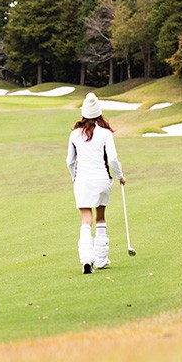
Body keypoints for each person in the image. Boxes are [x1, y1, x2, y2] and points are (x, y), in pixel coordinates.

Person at [66, 93, 125, 275]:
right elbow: (113, 159)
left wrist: (74, 177)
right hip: (101, 179)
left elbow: (69, 161)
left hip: (82, 180)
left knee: (86, 220)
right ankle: (100, 259)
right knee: (100, 217)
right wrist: (120, 176)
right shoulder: (106, 133)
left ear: (84, 113)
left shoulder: (75, 134)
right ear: (99, 113)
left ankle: (86, 259)